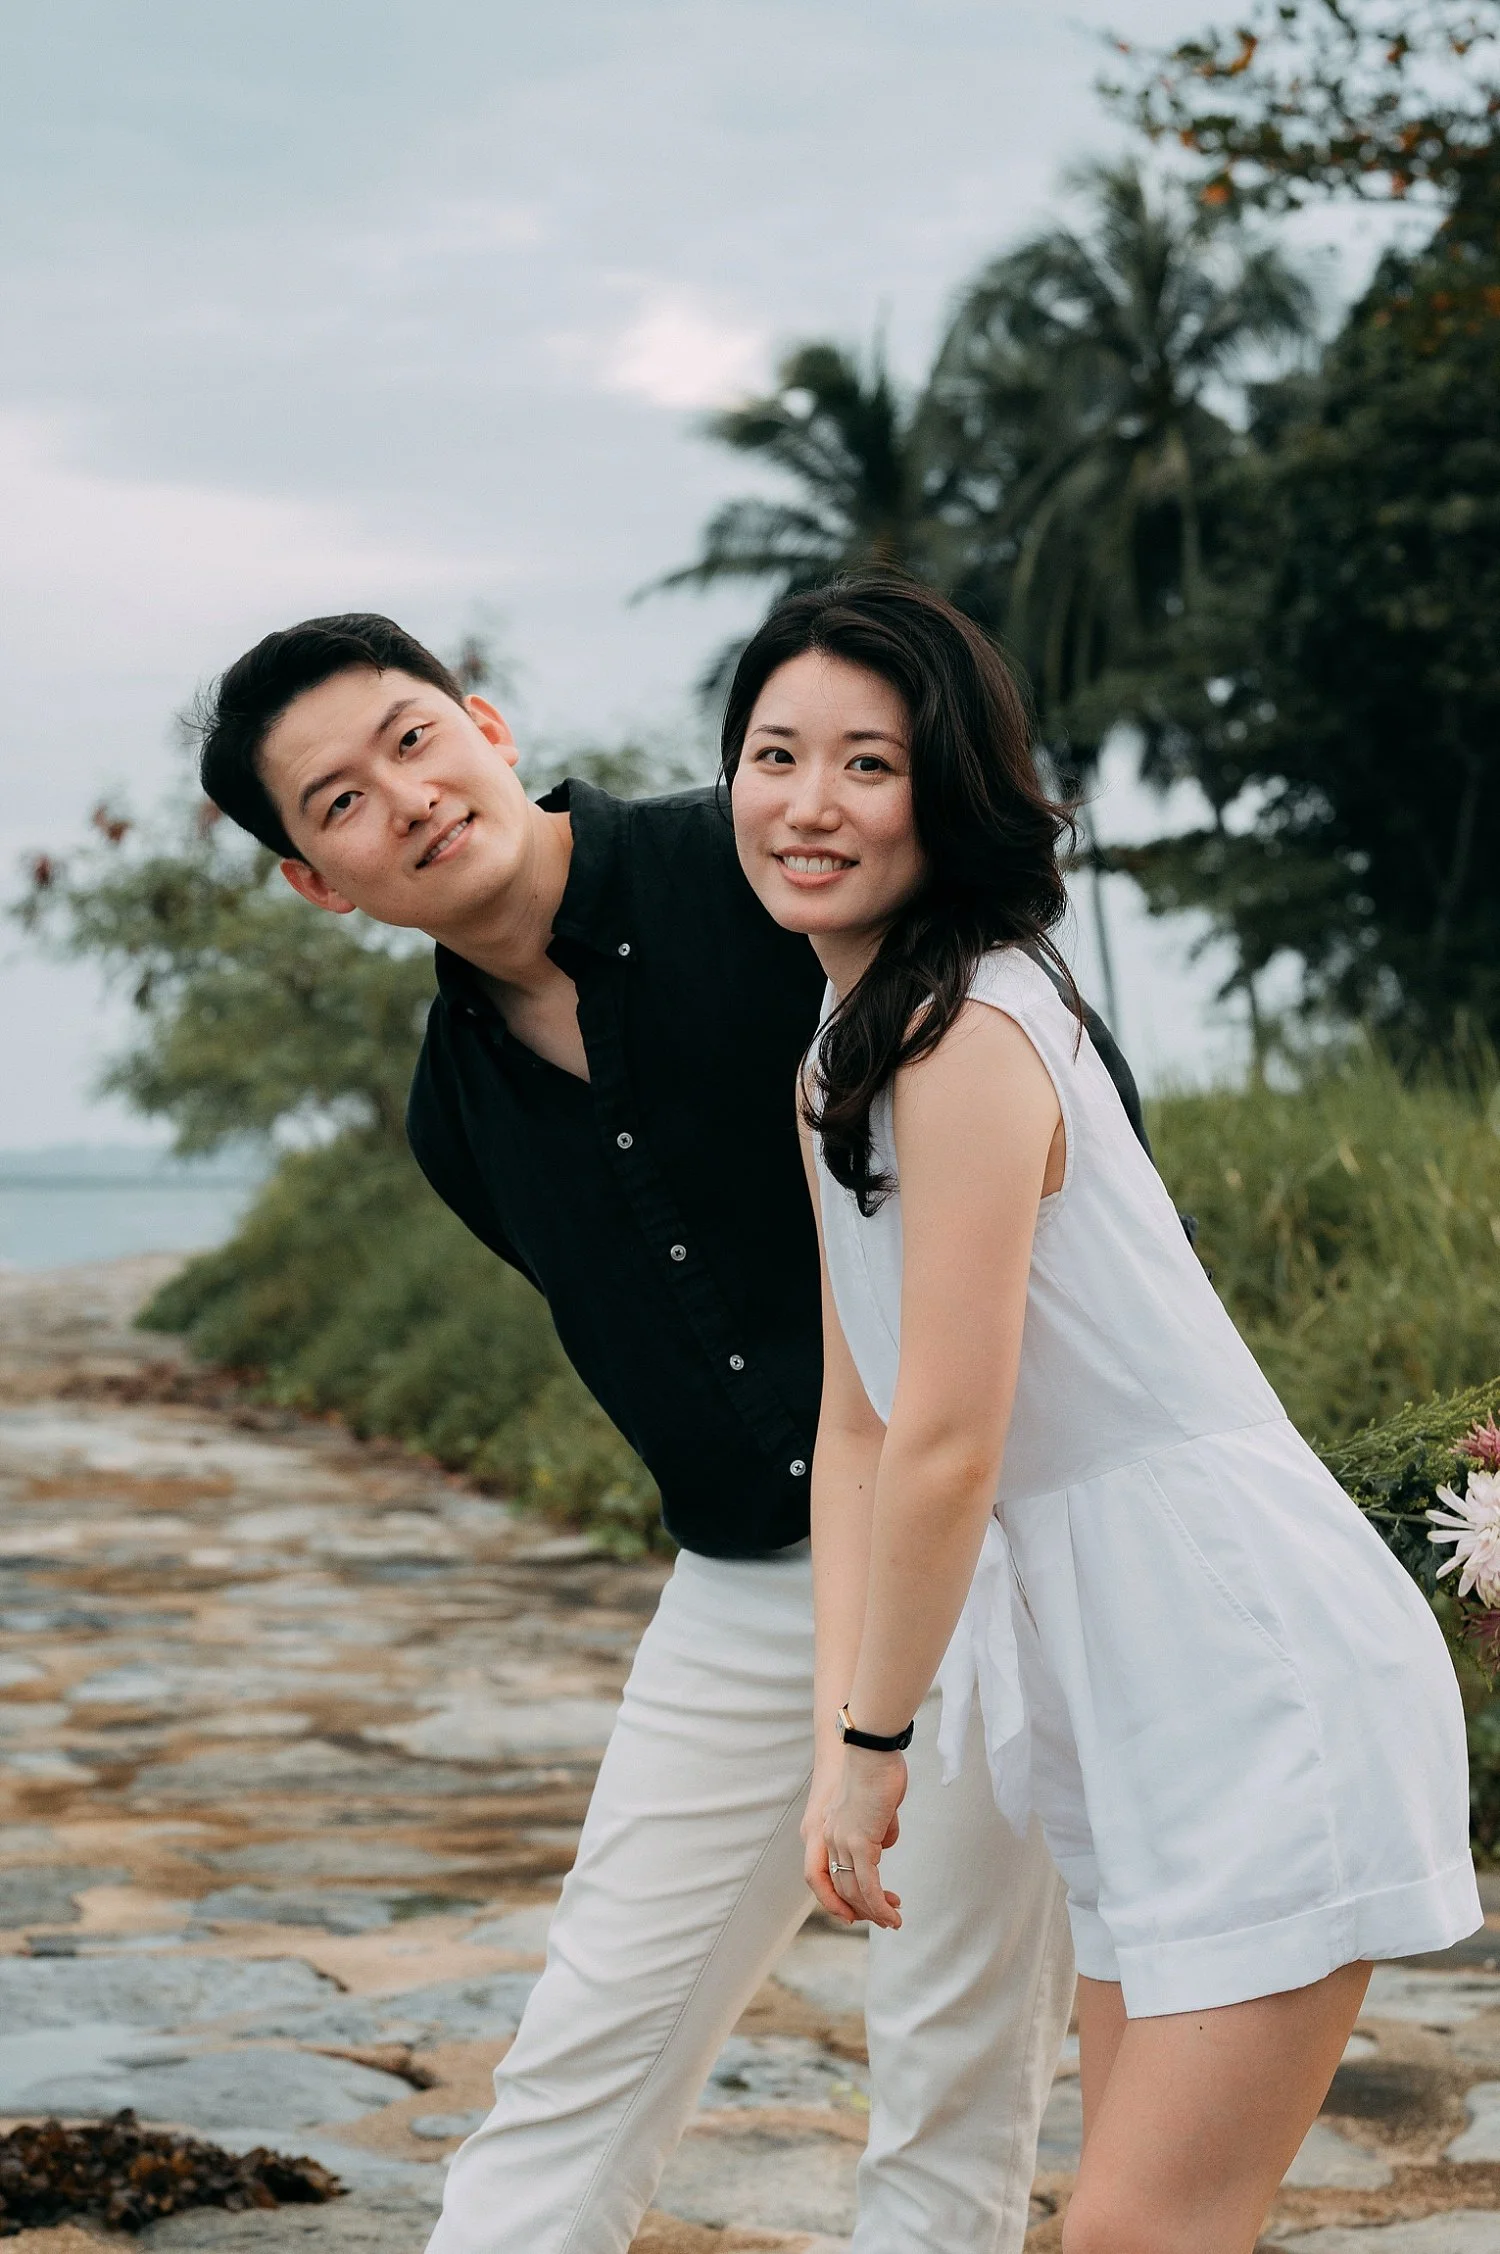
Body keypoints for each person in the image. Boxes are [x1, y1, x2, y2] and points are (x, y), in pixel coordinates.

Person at [195, 611, 1151, 2254]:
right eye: (339, 801)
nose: (405, 798)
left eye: (413, 738)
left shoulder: (753, 861)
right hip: (744, 1585)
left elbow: (1046, 1096)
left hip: (966, 1532)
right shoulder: (456, 1111)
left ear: (484, 721)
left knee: (949, 2078)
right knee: (585, 2044)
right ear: (317, 881)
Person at [726, 569, 1481, 2254]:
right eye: (776, 753)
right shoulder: (842, 1047)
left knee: (1139, 2235)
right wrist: (841, 1727)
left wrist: (874, 1751)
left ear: (953, 790)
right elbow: (853, 1429)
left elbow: (949, 1439)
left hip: (1244, 1663)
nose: (808, 803)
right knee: (1150, 2229)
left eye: (869, 761)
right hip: (1129, 1677)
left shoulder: (967, 1032)